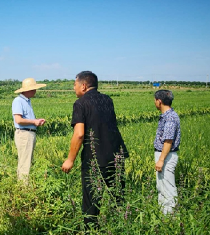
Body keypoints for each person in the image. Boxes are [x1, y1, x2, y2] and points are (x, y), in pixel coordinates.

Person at [61, 71, 128, 226]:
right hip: (116, 155)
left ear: (83, 86)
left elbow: (79, 135)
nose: (74, 88)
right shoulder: (108, 100)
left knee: (91, 203)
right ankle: (122, 230)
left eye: (75, 84)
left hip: (95, 159)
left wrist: (70, 160)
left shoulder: (80, 103)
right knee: (118, 198)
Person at [12, 78, 46, 185]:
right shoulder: (18, 101)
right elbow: (19, 120)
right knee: (25, 163)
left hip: (28, 133)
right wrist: (34, 122)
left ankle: (22, 186)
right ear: (27, 90)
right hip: (24, 134)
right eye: (33, 89)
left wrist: (36, 122)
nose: (35, 91)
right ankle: (23, 188)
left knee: (25, 161)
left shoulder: (27, 101)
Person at [153, 90, 181, 215]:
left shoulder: (170, 118)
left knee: (168, 188)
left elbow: (168, 141)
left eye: (155, 100)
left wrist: (161, 160)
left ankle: (171, 218)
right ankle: (163, 214)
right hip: (165, 155)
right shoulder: (168, 115)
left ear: (159, 101)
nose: (154, 102)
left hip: (166, 156)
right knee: (161, 187)